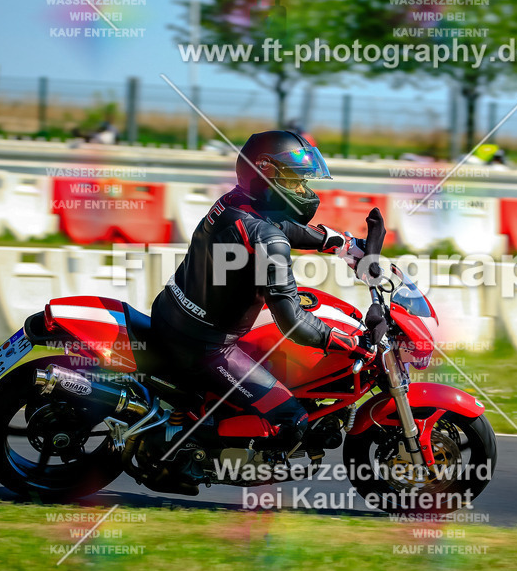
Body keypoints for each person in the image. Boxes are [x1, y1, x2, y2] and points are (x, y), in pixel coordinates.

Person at [150, 130, 373, 465]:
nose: (304, 190)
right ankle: (185, 450)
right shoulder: (266, 237)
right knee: (291, 418)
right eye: (297, 181)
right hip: (206, 346)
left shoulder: (237, 202)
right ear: (266, 172)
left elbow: (279, 225)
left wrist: (342, 243)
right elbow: (293, 321)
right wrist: (350, 343)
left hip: (175, 313)